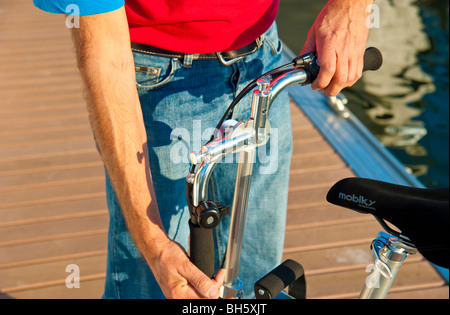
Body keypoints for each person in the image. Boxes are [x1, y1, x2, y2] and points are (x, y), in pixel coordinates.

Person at [33, 0, 373, 299]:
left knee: (255, 277)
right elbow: (105, 56)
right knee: (153, 282)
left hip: (263, 58)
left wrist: (351, 6)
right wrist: (153, 244)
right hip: (155, 73)